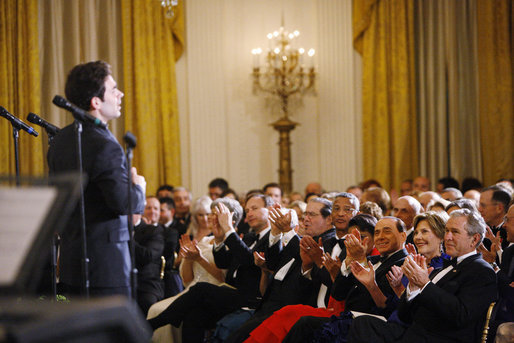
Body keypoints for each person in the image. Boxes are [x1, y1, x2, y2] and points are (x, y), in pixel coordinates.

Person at [48, 60, 146, 297]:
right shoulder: (105, 145)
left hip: (71, 264)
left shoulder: (60, 141)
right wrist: (138, 187)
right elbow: (123, 203)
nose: (120, 94)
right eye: (113, 89)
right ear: (96, 102)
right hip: (106, 268)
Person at [347, 209, 497, 343]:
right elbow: (404, 315)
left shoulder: (481, 271)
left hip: (439, 337)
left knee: (361, 326)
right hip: (414, 332)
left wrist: (425, 284)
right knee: (363, 323)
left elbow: (461, 315)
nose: (448, 237)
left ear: (475, 239)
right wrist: (412, 287)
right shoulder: (443, 268)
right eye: (447, 231)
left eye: (455, 232)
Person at [147, 194, 271, 343]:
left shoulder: (272, 239)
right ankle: (154, 324)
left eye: (254, 208)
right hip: (232, 293)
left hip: (251, 299)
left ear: (269, 210)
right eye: (248, 210)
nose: (249, 213)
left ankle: (153, 324)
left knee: (201, 289)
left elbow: (248, 260)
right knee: (193, 315)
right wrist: (219, 239)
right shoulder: (250, 237)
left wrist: (229, 230)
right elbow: (223, 262)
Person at [147, 196, 226, 343]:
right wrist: (188, 258)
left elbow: (224, 278)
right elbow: (188, 280)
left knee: (180, 314)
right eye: (209, 214)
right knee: (155, 309)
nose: (209, 218)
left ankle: (153, 325)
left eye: (213, 214)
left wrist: (199, 258)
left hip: (215, 291)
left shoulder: (230, 243)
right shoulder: (204, 240)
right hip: (192, 289)